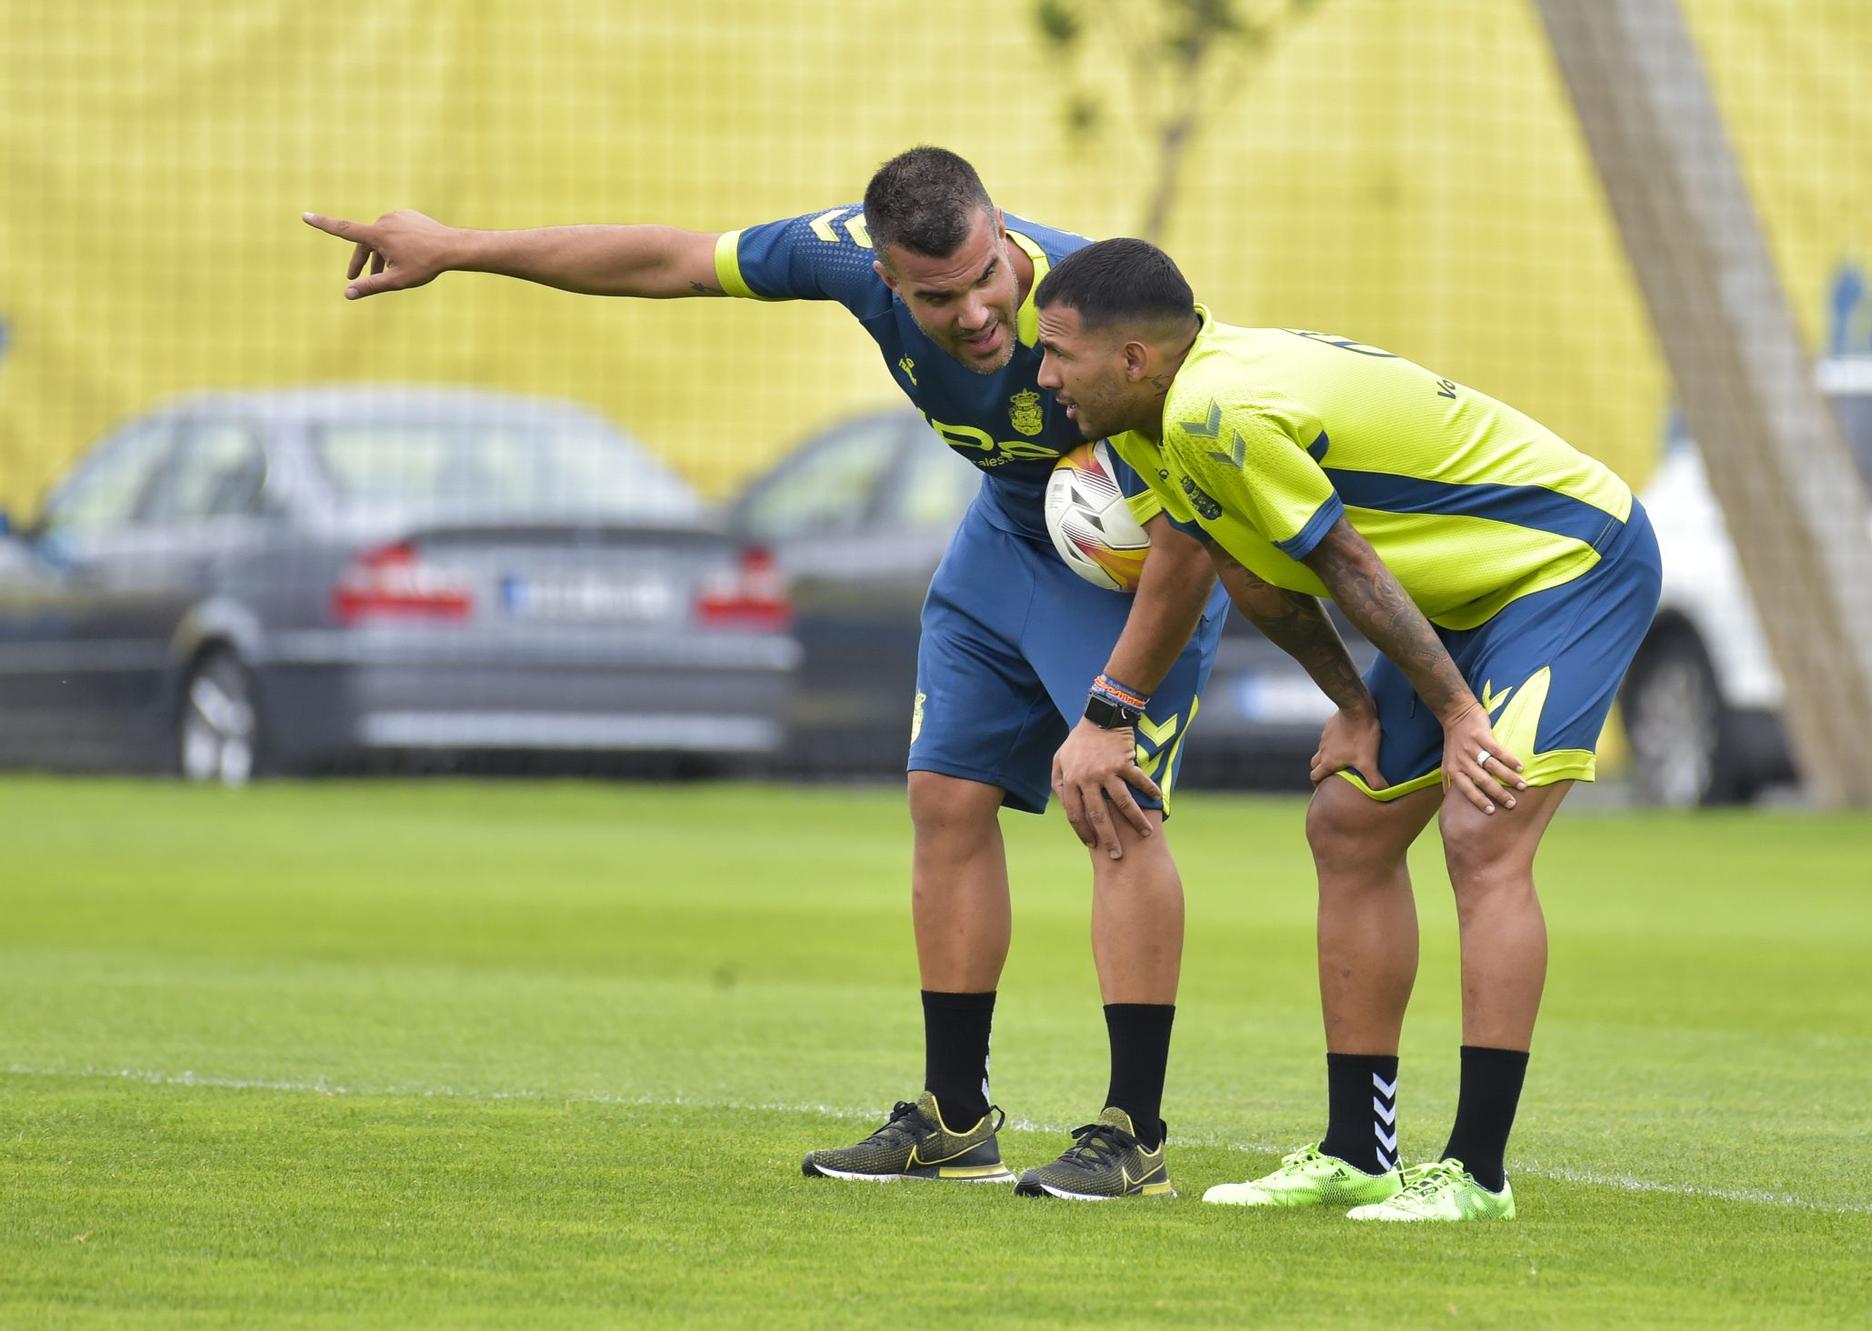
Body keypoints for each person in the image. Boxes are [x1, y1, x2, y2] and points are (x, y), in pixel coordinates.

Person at [303, 149, 1229, 1201]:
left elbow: (1196, 540)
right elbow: (669, 260)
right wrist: (460, 249)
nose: (976, 311)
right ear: (884, 276)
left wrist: (1112, 709)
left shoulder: (1086, 309)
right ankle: (954, 1119)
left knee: (1117, 810)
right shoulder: (835, 255)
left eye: (985, 277)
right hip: (1003, 544)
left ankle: (1130, 1133)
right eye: (937, 295)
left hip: (1143, 566)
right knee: (943, 794)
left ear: (998, 231)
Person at [1032, 238, 1662, 1222]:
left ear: (1130, 359)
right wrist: (1355, 708)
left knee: (1480, 828)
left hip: (1564, 561)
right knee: (1346, 823)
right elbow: (1247, 570)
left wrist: (1455, 715)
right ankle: (1357, 1148)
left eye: (1056, 350)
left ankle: (1476, 1172)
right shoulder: (1153, 426)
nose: (1041, 373)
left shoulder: (1214, 408)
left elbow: (1348, 562)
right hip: (1453, 600)